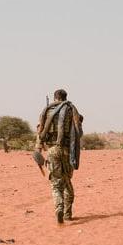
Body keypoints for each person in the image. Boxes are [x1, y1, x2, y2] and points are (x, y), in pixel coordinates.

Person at [35, 89, 83, 224]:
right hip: (68, 151)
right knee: (67, 180)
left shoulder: (46, 111)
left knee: (56, 184)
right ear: (65, 97)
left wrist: (38, 149)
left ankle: (59, 207)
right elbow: (78, 131)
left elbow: (40, 132)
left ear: (55, 98)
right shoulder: (71, 109)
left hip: (52, 151)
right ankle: (67, 214)